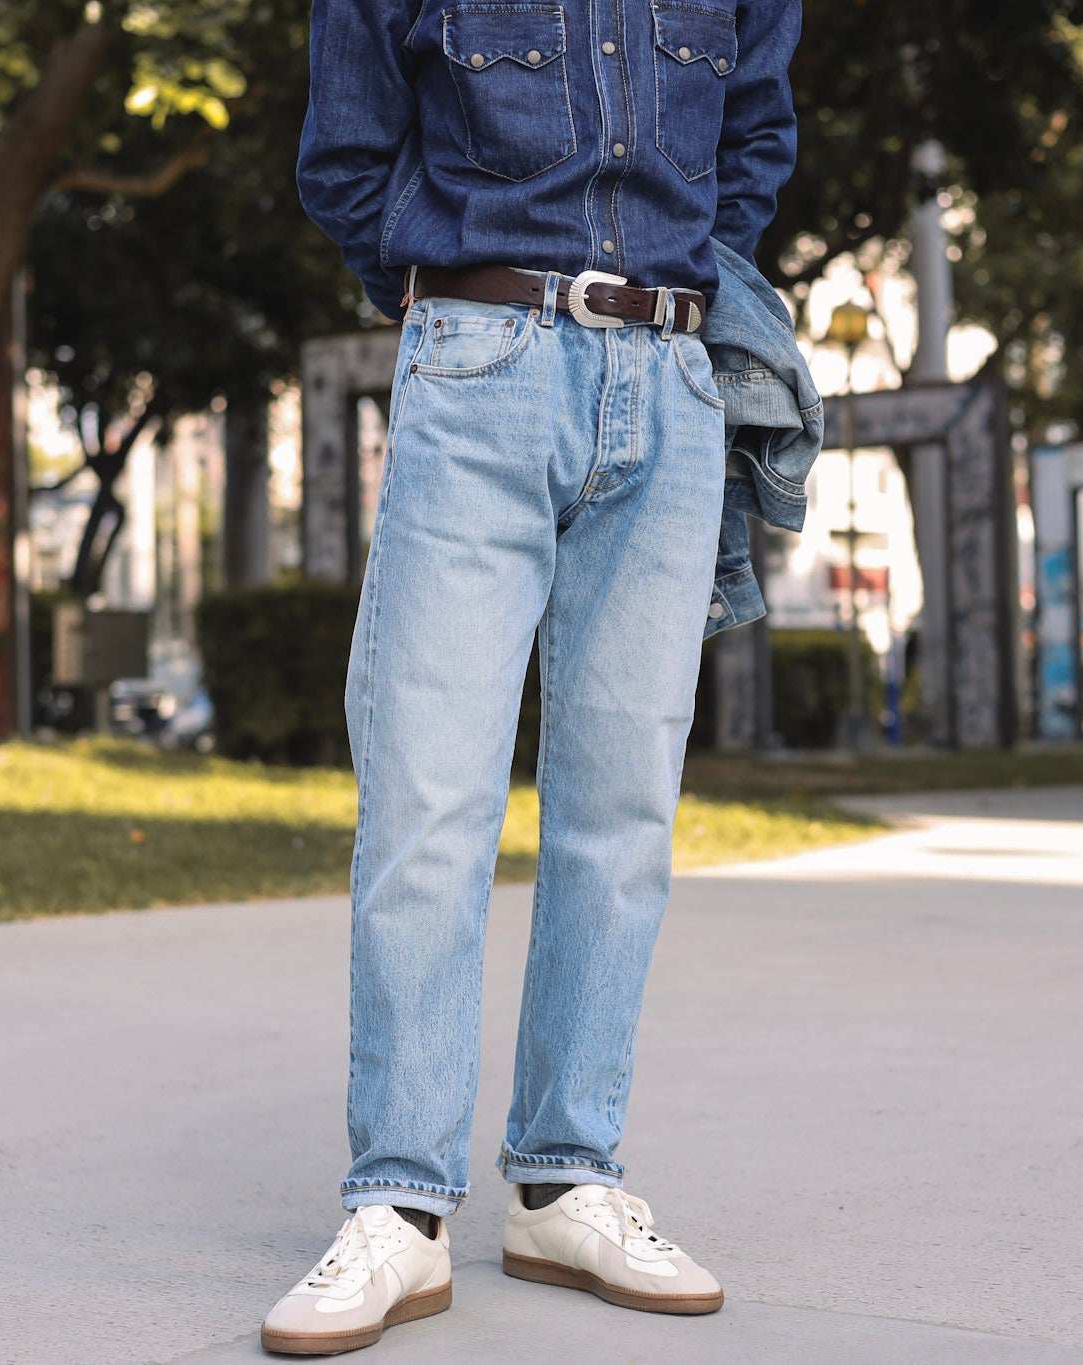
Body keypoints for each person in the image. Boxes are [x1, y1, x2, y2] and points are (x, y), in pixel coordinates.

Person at [263, 0, 803, 1353]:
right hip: (480, 363)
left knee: (621, 811)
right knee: (429, 800)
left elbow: (756, 135)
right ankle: (398, 1208)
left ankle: (567, 1183)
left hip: (671, 385)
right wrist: (450, 290)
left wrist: (687, 300)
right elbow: (344, 157)